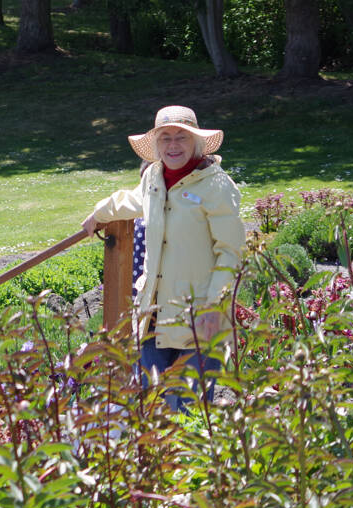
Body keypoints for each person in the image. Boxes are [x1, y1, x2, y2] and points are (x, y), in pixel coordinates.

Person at [82, 106, 246, 412]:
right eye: (165, 138)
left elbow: (231, 253)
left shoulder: (217, 186)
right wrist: (99, 213)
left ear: (196, 142)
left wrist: (213, 307)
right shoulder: (154, 177)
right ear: (156, 145)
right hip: (152, 316)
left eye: (181, 138)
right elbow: (132, 201)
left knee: (188, 413)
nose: (173, 145)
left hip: (198, 318)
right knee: (148, 407)